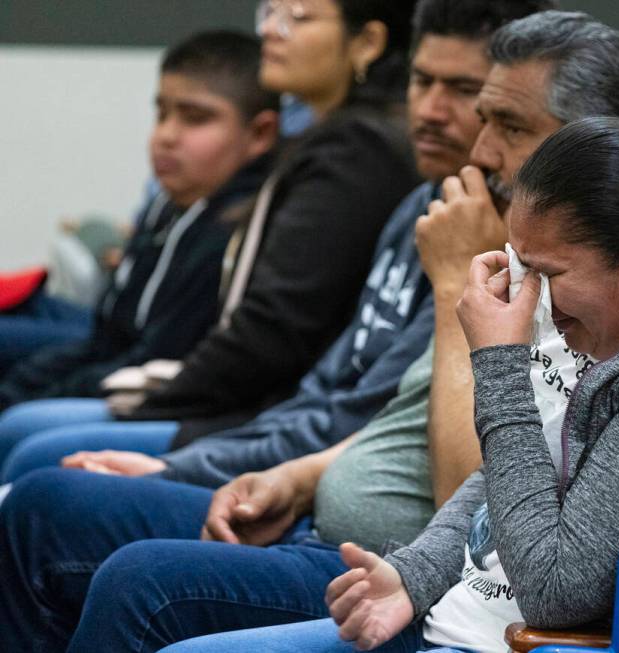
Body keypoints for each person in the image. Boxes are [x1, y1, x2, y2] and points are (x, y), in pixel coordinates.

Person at [162, 116, 619, 653]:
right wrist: (416, 571)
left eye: (548, 274)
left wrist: (497, 364)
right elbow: (512, 477)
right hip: (469, 615)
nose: (535, 301)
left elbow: (553, 591)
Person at [0, 2, 555, 650]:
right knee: (44, 496)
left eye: (470, 98)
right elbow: (329, 391)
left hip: (384, 550)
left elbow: (303, 370)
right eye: (422, 81)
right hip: (306, 485)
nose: (434, 112)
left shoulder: (467, 230)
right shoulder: (418, 200)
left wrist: (176, 462)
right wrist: (210, 469)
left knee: (90, 519)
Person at [0, 0, 421, 477]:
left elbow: (272, 331)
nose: (271, 31)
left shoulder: (356, 153)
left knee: (30, 441)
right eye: (269, 13)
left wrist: (156, 401)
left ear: (368, 41)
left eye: (297, 17)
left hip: (261, 414)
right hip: (247, 402)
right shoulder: (327, 140)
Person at [0, 30, 281, 460]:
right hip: (115, 361)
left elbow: (147, 362)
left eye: (195, 118)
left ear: (260, 134)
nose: (166, 135)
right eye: (162, 113)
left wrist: (31, 397)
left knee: (21, 429)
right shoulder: (169, 204)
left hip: (157, 396)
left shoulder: (229, 233)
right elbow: (105, 337)